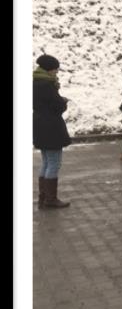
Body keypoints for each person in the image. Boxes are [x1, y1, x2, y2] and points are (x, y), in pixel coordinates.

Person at [33, 54, 71, 209]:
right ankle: (50, 199)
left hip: (40, 124)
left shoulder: (35, 82)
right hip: (51, 127)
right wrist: (63, 102)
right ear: (49, 69)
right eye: (55, 69)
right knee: (54, 162)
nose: (56, 72)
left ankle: (43, 197)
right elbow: (57, 106)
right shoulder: (47, 85)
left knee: (46, 162)